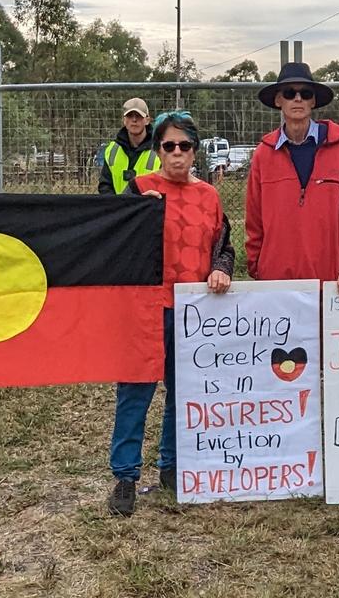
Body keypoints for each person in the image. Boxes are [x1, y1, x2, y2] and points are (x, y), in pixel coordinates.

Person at [107, 111, 235, 516]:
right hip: (145, 310)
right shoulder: (140, 189)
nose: (177, 153)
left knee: (184, 393)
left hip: (192, 312)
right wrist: (133, 214)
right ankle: (125, 476)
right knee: (135, 392)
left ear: (195, 151)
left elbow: (225, 246)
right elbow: (110, 238)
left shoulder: (210, 197)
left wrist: (221, 268)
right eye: (169, 146)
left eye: (185, 146)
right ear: (157, 149)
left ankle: (172, 466)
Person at [245, 62, 339, 298]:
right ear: (278, 101)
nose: (298, 99)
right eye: (289, 93)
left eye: (305, 94)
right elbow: (254, 222)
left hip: (333, 287)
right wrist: (258, 268)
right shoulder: (263, 155)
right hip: (278, 287)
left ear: (313, 101)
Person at [98, 97, 160, 195]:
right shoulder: (112, 150)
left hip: (147, 208)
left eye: (139, 116)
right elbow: (105, 185)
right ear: (124, 120)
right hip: (118, 208)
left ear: (147, 120)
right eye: (130, 116)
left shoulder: (160, 149)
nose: (134, 120)